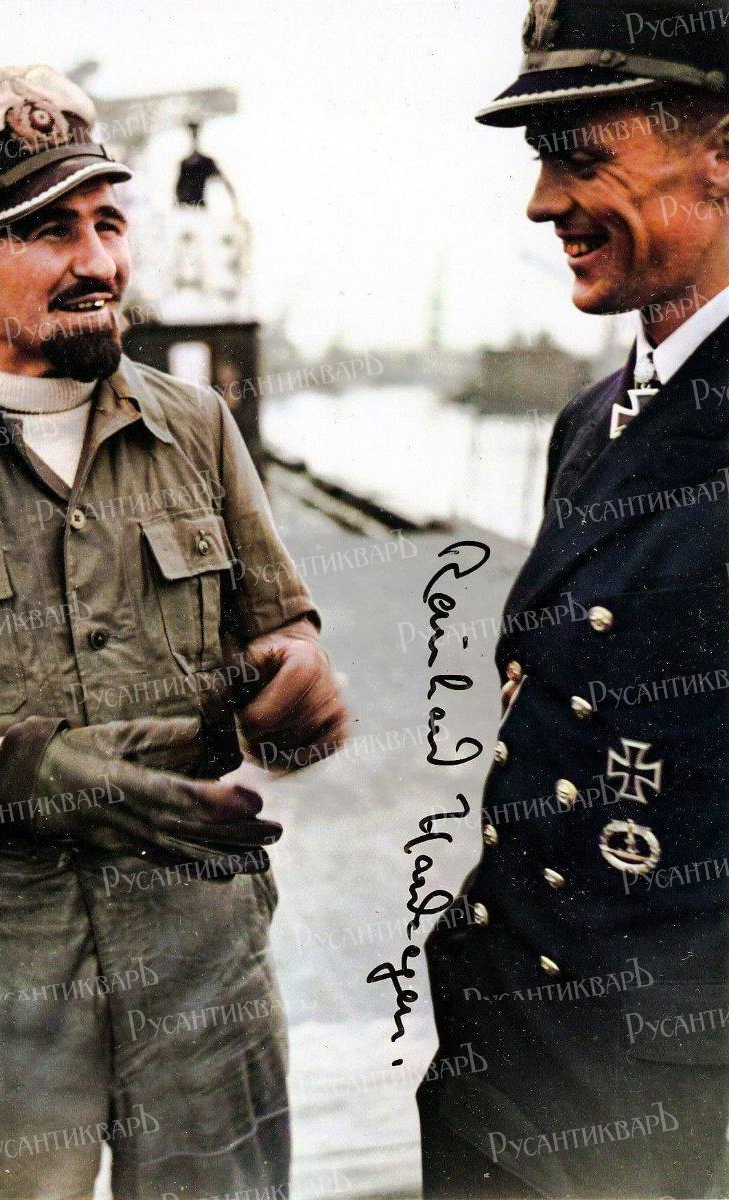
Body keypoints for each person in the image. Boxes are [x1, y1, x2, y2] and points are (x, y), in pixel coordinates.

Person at [0, 64, 349, 1200]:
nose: (98, 262)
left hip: (203, 972)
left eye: (107, 223)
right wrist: (4, 774)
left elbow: (285, 640)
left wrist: (299, 689)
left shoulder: (196, 426)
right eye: (52, 231)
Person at [418, 3, 728, 1197]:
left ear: (721, 155)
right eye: (541, 160)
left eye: (582, 158)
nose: (543, 203)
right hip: (508, 1068)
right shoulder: (590, 426)